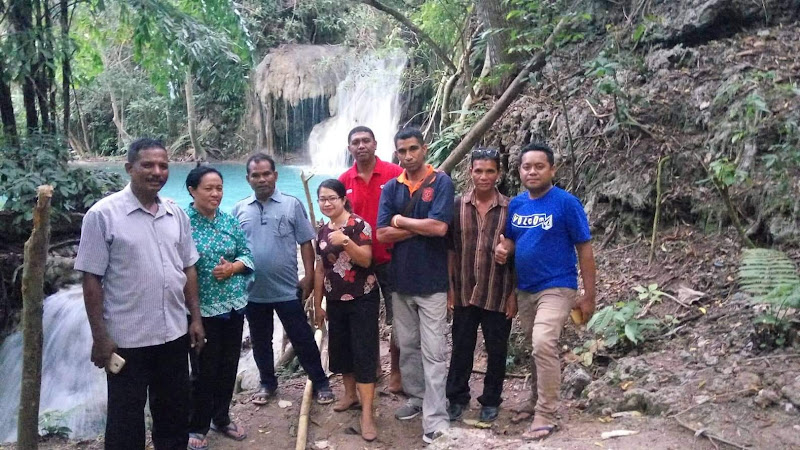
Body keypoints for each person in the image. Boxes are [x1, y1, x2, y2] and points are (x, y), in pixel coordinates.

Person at [75, 137, 204, 450]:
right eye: (148, 164)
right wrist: (100, 337)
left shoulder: (177, 214)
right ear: (129, 168)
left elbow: (188, 268)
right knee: (125, 420)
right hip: (127, 339)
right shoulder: (103, 215)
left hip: (173, 334)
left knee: (173, 414)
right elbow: (91, 279)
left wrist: (195, 318)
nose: (156, 171)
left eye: (163, 165)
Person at [494, 142, 597, 441]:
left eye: (539, 166)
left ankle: (547, 414)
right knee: (536, 346)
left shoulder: (566, 203)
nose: (532, 171)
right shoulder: (517, 205)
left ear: (552, 169)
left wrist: (589, 295)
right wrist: (503, 250)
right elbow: (513, 241)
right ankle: (535, 400)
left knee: (543, 342)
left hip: (558, 286)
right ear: (519, 171)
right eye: (527, 167)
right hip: (525, 289)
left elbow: (585, 249)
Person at [232, 153, 334, 406]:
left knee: (301, 337)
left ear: (275, 176)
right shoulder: (239, 209)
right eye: (256, 175)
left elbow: (305, 243)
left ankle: (320, 382)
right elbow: (234, 248)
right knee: (260, 340)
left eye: (266, 173)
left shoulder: (291, 204)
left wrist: (309, 276)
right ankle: (267, 383)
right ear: (248, 179)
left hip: (288, 289)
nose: (262, 179)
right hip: (252, 290)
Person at [376, 127, 454, 443]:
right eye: (402, 151)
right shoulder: (392, 187)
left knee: (434, 351)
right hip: (401, 282)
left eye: (413, 149)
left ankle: (436, 418)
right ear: (396, 153)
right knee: (408, 346)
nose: (408, 156)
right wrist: (414, 228)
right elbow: (381, 234)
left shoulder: (441, 182)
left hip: (432, 283)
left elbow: (439, 227)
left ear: (425, 148)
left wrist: (400, 222)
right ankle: (418, 397)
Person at [184, 166, 254, 450]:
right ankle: (197, 425)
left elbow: (247, 254)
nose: (215, 194)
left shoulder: (229, 221)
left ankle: (221, 418)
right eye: (208, 188)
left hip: (235, 307)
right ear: (192, 190)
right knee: (202, 370)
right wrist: (193, 317)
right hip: (200, 312)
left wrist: (234, 268)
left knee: (228, 366)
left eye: (219, 188)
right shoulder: (182, 223)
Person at [445, 148, 517, 424]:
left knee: (497, 349)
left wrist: (513, 295)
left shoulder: (512, 208)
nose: (484, 176)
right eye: (478, 170)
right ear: (470, 172)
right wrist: (450, 287)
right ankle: (457, 397)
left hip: (497, 291)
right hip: (464, 289)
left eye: (490, 171)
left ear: (499, 173)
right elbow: (450, 249)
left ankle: (490, 400)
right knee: (461, 346)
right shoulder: (456, 206)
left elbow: (520, 253)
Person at [312, 179, 380, 442]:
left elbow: (366, 259)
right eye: (322, 199)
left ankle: (366, 414)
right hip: (336, 300)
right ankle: (350, 395)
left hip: (363, 298)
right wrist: (318, 304)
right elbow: (321, 269)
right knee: (341, 349)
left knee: (363, 352)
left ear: (343, 199)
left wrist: (345, 242)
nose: (327, 203)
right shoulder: (321, 231)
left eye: (332, 198)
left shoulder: (359, 225)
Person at [338, 125, 404, 393]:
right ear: (349, 148)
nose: (361, 145)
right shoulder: (344, 180)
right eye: (356, 142)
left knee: (398, 316)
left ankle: (397, 372)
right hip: (358, 261)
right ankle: (372, 367)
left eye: (366, 141)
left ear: (376, 144)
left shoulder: (394, 174)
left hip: (392, 258)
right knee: (364, 318)